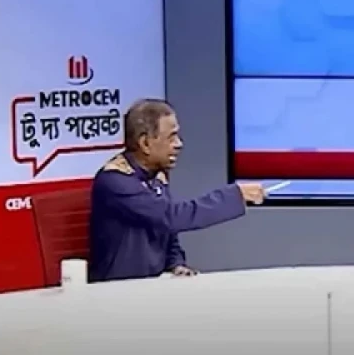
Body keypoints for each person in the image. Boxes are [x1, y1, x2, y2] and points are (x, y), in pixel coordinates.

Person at [88, 99, 266, 282]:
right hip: (117, 291)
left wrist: (176, 264)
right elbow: (170, 217)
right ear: (145, 143)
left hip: (152, 287)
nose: (179, 144)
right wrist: (234, 196)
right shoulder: (115, 181)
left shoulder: (157, 176)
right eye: (171, 137)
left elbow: (166, 230)